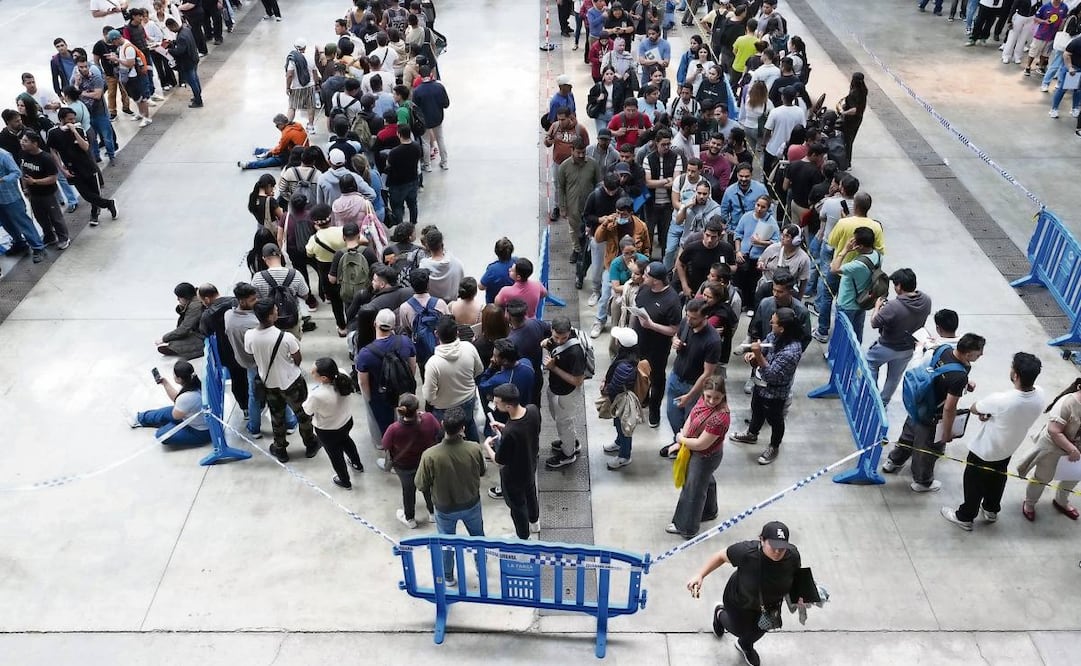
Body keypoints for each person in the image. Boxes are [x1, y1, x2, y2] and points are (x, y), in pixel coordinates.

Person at [941, 353, 1045, 530]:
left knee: (974, 483)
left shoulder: (1002, 399)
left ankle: (965, 516)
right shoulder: (1040, 394)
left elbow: (975, 408)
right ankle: (991, 509)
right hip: (1008, 447)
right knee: (998, 478)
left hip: (985, 450)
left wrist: (987, 412)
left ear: (1016, 375)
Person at [686, 521, 802, 666]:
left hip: (770, 605)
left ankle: (745, 645)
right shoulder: (746, 552)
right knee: (739, 629)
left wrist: (802, 596)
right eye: (773, 546)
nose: (778, 551)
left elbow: (796, 576)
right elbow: (720, 556)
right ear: (762, 540)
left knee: (762, 627)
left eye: (782, 547)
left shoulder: (793, 555)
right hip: (739, 600)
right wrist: (700, 575)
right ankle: (720, 614)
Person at [883, 333, 986, 492]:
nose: (981, 355)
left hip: (919, 402)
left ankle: (893, 461)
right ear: (968, 354)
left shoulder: (944, 350)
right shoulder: (958, 376)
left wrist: (966, 382)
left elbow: (941, 374)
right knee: (925, 449)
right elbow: (949, 408)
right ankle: (922, 482)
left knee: (908, 435)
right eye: (979, 353)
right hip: (932, 413)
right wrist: (947, 431)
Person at [414, 406, 486, 584]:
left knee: (446, 543)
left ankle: (448, 577)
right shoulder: (474, 448)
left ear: (443, 424)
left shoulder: (430, 455)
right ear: (463, 428)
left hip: (444, 508)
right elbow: (482, 471)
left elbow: (420, 483)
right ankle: (481, 569)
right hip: (471, 503)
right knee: (478, 538)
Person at [243, 298, 321, 463]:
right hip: (291, 382)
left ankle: (280, 449)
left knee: (277, 417)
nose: (277, 311)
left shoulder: (249, 335)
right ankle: (310, 444)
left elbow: (250, 355)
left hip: (269, 383)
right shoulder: (286, 337)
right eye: (275, 310)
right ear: (271, 316)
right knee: (303, 414)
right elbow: (297, 358)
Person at [730, 308, 806, 465]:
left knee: (775, 419)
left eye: (774, 322)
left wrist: (758, 355)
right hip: (760, 385)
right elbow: (766, 347)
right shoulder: (775, 335)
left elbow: (772, 375)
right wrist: (756, 354)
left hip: (775, 392)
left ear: (782, 328)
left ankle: (774, 446)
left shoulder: (791, 351)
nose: (770, 324)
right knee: (756, 410)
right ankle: (752, 433)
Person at [665, 376, 729, 538]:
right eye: (708, 396)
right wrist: (682, 439)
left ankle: (687, 527)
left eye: (717, 398)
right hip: (702, 452)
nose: (711, 401)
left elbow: (701, 444)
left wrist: (681, 440)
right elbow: (692, 416)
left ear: (723, 396)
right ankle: (708, 511)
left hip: (705, 456)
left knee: (692, 489)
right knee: (704, 480)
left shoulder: (720, 418)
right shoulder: (702, 401)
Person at [482, 383, 543, 539]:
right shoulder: (533, 410)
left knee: (517, 507)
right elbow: (526, 431)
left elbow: (499, 460)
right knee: (531, 494)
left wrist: (487, 446)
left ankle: (523, 537)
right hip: (530, 466)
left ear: (508, 406)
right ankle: (535, 522)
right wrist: (504, 426)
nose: (495, 405)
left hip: (514, 476)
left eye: (497, 403)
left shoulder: (510, 432)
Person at [1017, 376, 1081, 521]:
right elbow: (1054, 430)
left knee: (1072, 478)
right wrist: (1072, 449)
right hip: (1054, 447)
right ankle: (1029, 503)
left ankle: (1061, 501)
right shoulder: (1067, 403)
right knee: (1042, 477)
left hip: (1077, 449)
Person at [866, 269, 932, 406]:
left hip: (886, 346)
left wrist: (877, 307)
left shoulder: (894, 306)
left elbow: (874, 323)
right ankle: (883, 402)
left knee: (870, 364)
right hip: (908, 348)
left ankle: (872, 397)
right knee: (894, 377)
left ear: (899, 286)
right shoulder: (926, 300)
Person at [632, 261, 683, 427]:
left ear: (657, 280)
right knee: (639, 374)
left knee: (657, 379)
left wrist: (652, 325)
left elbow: (674, 329)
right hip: (639, 341)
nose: (643, 277)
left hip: (658, 348)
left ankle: (654, 410)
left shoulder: (672, 301)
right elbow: (637, 308)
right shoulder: (644, 289)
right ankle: (643, 399)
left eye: (647, 275)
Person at [302, 357, 363, 489]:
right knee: (347, 441)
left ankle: (344, 481)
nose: (311, 374)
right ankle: (357, 464)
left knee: (336, 456)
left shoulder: (317, 395)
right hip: (346, 421)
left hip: (328, 431)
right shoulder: (342, 374)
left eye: (314, 373)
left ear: (323, 378)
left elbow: (307, 410)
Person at [382, 393, 441, 527]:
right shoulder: (429, 419)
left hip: (404, 466)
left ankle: (410, 519)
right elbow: (438, 433)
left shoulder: (394, 429)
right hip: (425, 462)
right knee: (428, 487)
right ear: (417, 408)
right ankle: (432, 513)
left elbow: (385, 445)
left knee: (408, 491)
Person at [423, 316, 484, 443]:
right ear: (457, 332)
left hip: (443, 407)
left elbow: (429, 395)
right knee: (469, 423)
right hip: (467, 399)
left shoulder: (433, 363)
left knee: (444, 434)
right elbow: (479, 370)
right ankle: (476, 451)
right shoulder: (469, 347)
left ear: (436, 334)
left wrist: (439, 400)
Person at [542, 316, 589, 469]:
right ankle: (571, 442)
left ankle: (568, 454)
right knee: (563, 421)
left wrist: (553, 368)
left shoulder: (575, 352)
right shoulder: (555, 340)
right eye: (556, 337)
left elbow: (578, 380)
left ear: (570, 332)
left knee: (564, 422)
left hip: (566, 393)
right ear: (552, 331)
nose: (560, 341)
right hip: (556, 388)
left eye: (564, 338)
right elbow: (550, 344)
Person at [131, 360, 212, 446]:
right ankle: (140, 418)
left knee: (161, 435)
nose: (173, 376)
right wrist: (165, 383)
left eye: (174, 374)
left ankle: (141, 419)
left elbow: (176, 416)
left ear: (179, 379)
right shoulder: (197, 386)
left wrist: (178, 405)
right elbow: (179, 400)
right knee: (165, 413)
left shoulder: (187, 397)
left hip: (200, 432)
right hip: (198, 420)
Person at [16, 131, 70, 251]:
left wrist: (35, 182)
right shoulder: (23, 153)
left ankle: (63, 238)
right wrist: (25, 187)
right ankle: (49, 237)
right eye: (22, 140)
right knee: (41, 218)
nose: (22, 143)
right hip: (33, 194)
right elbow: (23, 171)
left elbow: (53, 178)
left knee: (55, 217)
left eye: (25, 141)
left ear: (35, 143)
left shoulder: (46, 158)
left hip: (48, 194)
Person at [828, 226, 881, 343]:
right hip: (862, 301)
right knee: (856, 335)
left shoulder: (858, 265)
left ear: (860, 246)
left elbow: (834, 269)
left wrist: (845, 251)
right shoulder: (877, 255)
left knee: (841, 336)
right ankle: (853, 359)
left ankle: (837, 357)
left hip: (847, 303)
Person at [601, 326, 641, 469]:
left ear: (620, 343)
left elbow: (616, 385)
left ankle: (624, 455)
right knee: (619, 423)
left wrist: (606, 389)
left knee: (624, 427)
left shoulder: (624, 366)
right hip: (619, 399)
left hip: (621, 399)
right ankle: (619, 442)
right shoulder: (628, 358)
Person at [239, 114, 309, 170]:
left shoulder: (287, 132)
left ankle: (248, 164)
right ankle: (258, 151)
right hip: (301, 151)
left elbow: (280, 148)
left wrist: (271, 153)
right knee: (273, 150)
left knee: (270, 161)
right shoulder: (296, 125)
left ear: (281, 124)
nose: (276, 127)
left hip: (296, 157)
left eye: (277, 125)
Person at [155, 281, 206, 359]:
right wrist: (182, 307)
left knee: (176, 343)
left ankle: (177, 349)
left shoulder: (195, 306)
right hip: (198, 330)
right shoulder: (193, 300)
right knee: (175, 339)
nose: (178, 299)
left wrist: (164, 338)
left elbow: (184, 328)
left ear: (186, 297)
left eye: (179, 297)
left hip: (202, 335)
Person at [835, 72, 867, 166]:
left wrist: (843, 112)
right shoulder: (863, 90)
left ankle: (847, 162)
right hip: (858, 118)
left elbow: (854, 109)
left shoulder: (854, 93)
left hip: (851, 120)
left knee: (847, 141)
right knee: (850, 139)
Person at [479, 237, 516, 304]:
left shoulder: (492, 269)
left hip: (495, 307)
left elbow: (481, 286)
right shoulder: (517, 262)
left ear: (496, 252)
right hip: (513, 304)